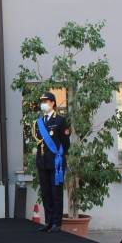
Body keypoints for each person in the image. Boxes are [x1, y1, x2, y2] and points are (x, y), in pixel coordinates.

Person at [34, 92, 70, 233]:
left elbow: (66, 143)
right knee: (46, 193)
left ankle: (56, 223)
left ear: (53, 103)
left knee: (56, 193)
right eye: (42, 101)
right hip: (42, 162)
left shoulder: (60, 121)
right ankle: (48, 221)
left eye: (46, 101)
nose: (44, 103)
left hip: (56, 163)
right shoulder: (39, 122)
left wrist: (59, 155)